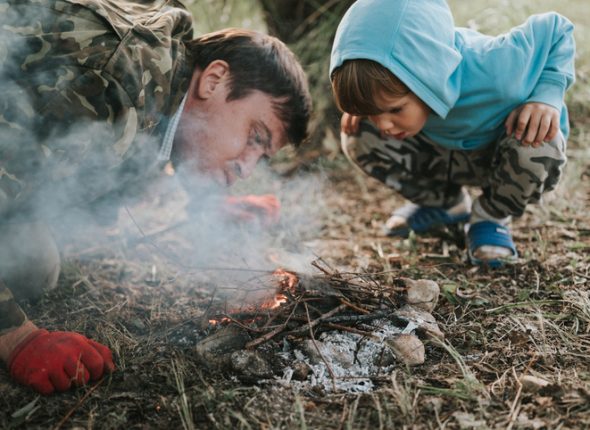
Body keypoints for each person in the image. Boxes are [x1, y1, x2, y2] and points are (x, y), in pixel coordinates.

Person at [0, 0, 311, 394]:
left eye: (261, 157)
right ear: (214, 80)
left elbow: (157, 143)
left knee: (33, 263)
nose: (246, 169)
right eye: (254, 136)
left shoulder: (166, 74)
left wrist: (206, 200)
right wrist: (18, 338)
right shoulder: (111, 82)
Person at [329, 0, 575, 267]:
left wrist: (547, 94)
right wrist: (366, 108)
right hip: (444, 154)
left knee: (540, 136)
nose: (384, 125)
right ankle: (445, 204)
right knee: (357, 133)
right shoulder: (392, 107)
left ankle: (491, 217)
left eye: (393, 110)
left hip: (504, 155)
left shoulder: (495, 66)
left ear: (426, 74)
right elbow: (382, 113)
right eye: (375, 113)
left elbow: (556, 29)